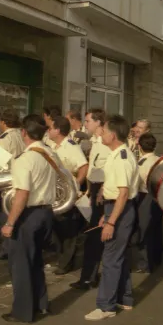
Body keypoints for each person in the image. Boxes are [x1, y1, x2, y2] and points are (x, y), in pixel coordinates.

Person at [0, 114, 58, 323]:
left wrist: (9, 223)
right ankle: (41, 305)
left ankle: (23, 312)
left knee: (21, 265)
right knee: (36, 262)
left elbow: (22, 194)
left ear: (24, 133)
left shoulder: (24, 159)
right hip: (46, 213)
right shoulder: (49, 153)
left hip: (29, 215)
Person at [85, 115, 139, 321]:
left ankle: (106, 306)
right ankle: (124, 298)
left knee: (110, 259)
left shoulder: (122, 158)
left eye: (105, 131)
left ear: (113, 135)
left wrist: (111, 221)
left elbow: (123, 193)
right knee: (119, 257)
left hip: (120, 209)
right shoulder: (118, 154)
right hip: (115, 208)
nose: (101, 134)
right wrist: (107, 216)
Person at [70, 108, 110, 290]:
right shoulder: (93, 141)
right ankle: (90, 275)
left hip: (103, 190)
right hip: (93, 189)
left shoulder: (106, 143)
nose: (85, 124)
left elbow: (109, 170)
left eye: (88, 121)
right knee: (92, 234)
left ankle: (89, 277)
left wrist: (101, 189)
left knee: (94, 235)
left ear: (98, 122)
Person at [48, 116, 88, 275]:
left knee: (68, 229)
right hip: (56, 193)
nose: (48, 131)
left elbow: (84, 166)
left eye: (50, 128)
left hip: (67, 193)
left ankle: (66, 263)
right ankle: (62, 259)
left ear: (57, 130)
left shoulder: (71, 146)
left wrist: (75, 185)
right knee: (57, 228)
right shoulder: (53, 146)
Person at [0, 109, 26, 261]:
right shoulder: (21, 134)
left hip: (7, 181)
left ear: (3, 122)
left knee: (5, 216)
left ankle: (5, 249)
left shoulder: (5, 138)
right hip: (20, 180)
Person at [134, 133, 163, 273]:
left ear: (139, 146)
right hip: (160, 197)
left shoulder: (141, 163)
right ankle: (157, 258)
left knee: (145, 230)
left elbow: (137, 183)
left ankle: (145, 263)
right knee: (157, 228)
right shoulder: (160, 160)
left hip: (145, 196)